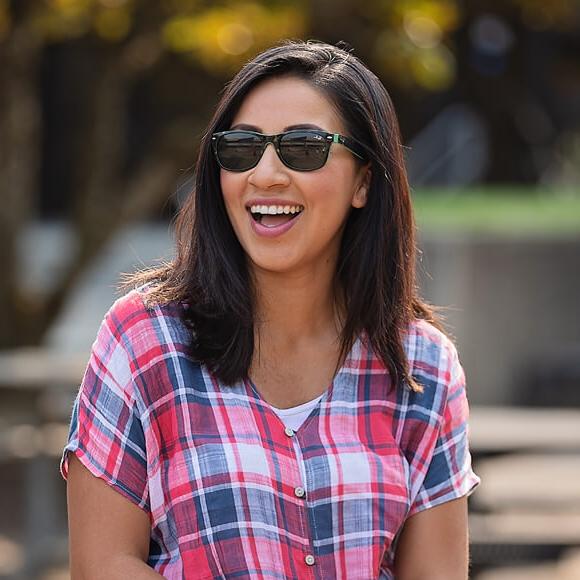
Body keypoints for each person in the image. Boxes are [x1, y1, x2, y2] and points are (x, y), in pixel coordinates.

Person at [62, 40, 480, 579]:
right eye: (241, 148)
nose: (264, 175)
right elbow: (103, 565)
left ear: (364, 180)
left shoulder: (423, 366)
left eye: (303, 147)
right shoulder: (143, 340)